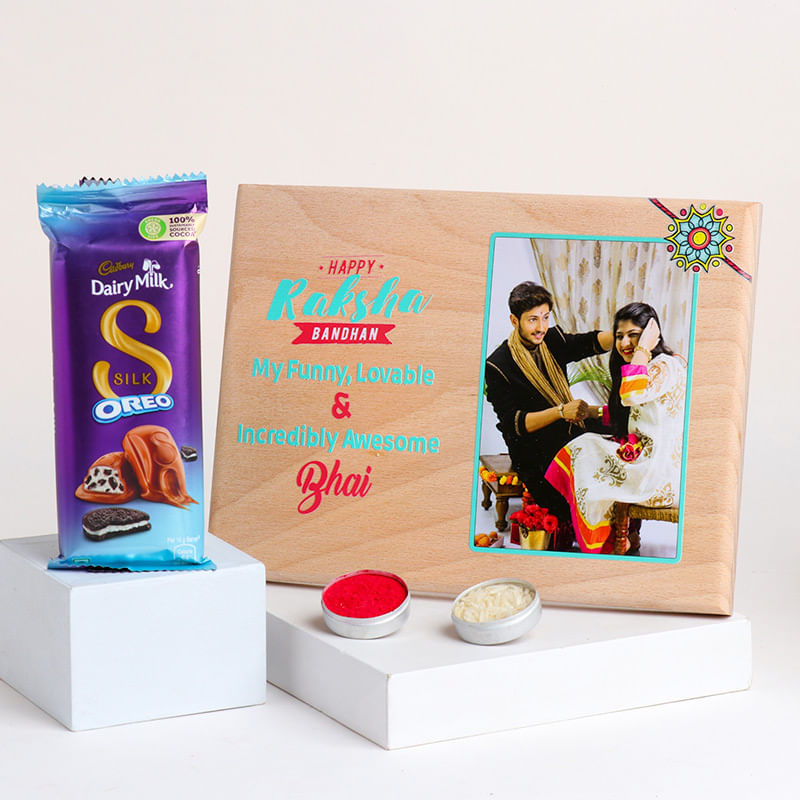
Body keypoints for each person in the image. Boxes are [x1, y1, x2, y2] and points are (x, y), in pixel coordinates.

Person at [544, 302, 687, 554]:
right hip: (650, 464)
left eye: (634, 335)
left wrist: (643, 348)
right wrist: (591, 411)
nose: (624, 343)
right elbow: (634, 411)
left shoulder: (665, 366)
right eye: (619, 336)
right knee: (589, 445)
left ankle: (606, 541)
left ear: (651, 335)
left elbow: (632, 395)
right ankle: (614, 537)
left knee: (585, 447)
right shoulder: (649, 367)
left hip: (659, 476)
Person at [484, 282, 612, 546]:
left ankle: (618, 515)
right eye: (532, 319)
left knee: (618, 431)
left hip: (566, 428)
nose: (541, 327)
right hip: (531, 448)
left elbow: (589, 343)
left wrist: (624, 334)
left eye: (545, 317)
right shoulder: (497, 365)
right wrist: (561, 411)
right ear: (514, 321)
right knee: (568, 501)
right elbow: (515, 423)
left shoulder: (552, 340)